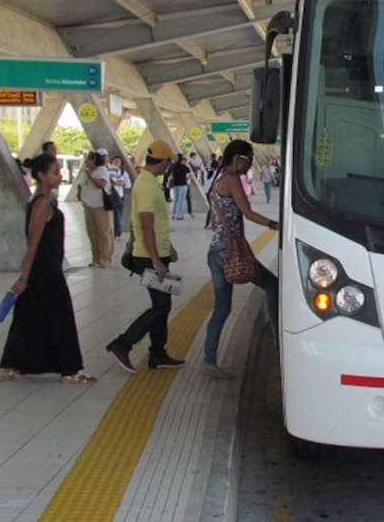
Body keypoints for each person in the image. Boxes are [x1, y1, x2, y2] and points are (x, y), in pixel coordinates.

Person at [0, 154, 96, 385]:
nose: (60, 176)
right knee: (61, 316)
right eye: (55, 172)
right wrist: (24, 276)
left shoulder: (45, 201)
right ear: (41, 175)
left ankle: (11, 364)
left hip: (44, 268)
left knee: (28, 316)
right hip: (44, 271)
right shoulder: (41, 204)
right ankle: (70, 370)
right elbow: (33, 242)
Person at [201, 140, 280, 378]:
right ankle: (277, 338)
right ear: (237, 158)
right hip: (231, 251)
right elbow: (247, 212)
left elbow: (215, 221)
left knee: (222, 308)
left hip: (215, 251)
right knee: (272, 285)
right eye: (248, 159)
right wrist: (275, 225)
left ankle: (209, 360)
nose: (249, 164)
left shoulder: (217, 181)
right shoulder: (233, 180)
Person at [105, 140, 185, 372]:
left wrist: (168, 247)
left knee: (162, 306)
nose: (168, 166)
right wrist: (156, 260)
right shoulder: (148, 185)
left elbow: (156, 224)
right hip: (149, 256)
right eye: (168, 162)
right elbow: (146, 224)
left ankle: (158, 354)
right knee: (160, 307)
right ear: (164, 161)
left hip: (156, 252)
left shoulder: (148, 181)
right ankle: (123, 343)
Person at [78, 150, 113, 268]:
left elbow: (101, 184)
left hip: (100, 206)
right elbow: (81, 185)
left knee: (103, 232)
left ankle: (105, 257)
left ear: (94, 160)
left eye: (88, 159)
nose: (86, 161)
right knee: (92, 232)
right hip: (88, 205)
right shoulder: (86, 171)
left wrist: (90, 176)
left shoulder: (102, 170)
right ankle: (96, 258)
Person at [109, 155, 131, 238]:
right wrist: (114, 183)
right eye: (114, 162)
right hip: (109, 196)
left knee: (118, 214)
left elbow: (128, 184)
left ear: (121, 164)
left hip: (119, 196)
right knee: (115, 214)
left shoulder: (123, 172)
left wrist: (122, 183)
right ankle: (116, 232)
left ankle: (116, 232)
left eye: (118, 162)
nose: (116, 163)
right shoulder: (108, 171)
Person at [169, 154, 191, 220]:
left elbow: (171, 174)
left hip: (175, 185)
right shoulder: (184, 167)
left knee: (175, 200)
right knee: (181, 200)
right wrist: (188, 179)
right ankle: (179, 215)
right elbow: (189, 172)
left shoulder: (173, 166)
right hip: (183, 185)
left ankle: (173, 215)